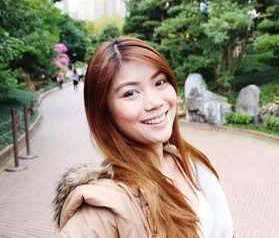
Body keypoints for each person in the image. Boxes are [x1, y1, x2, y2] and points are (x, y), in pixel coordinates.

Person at [53, 36, 234, 237]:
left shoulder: (187, 162)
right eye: (130, 93)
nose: (154, 102)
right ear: (105, 112)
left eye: (159, 82)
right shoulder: (105, 205)